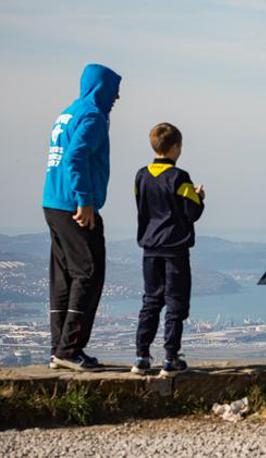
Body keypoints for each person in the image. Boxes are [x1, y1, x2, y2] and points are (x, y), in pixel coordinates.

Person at [43, 63, 121, 371]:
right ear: (101, 88)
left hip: (53, 201)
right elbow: (75, 157)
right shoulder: (93, 116)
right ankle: (70, 349)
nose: (117, 97)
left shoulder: (68, 113)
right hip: (74, 205)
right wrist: (85, 200)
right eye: (114, 90)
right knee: (89, 272)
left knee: (63, 276)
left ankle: (59, 348)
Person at [131, 123, 205, 376]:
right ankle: (171, 357)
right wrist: (199, 197)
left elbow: (141, 205)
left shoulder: (141, 175)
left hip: (150, 247)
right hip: (175, 249)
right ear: (176, 147)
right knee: (176, 302)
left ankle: (141, 356)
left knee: (151, 300)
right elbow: (191, 212)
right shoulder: (179, 177)